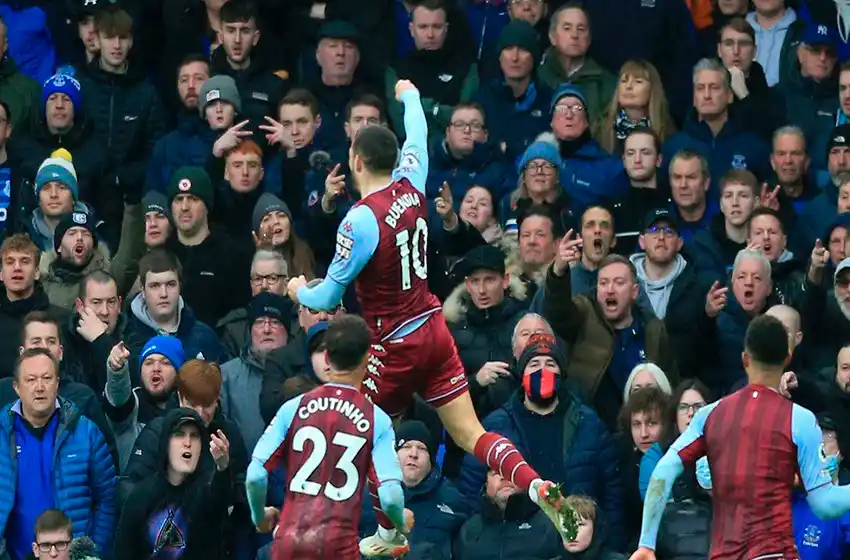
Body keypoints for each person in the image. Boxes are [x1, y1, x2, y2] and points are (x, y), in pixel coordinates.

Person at [286, 79, 575, 554]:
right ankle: (538, 485)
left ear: (356, 162)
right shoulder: (412, 185)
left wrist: (300, 287)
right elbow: (417, 134)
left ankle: (387, 530)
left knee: (360, 432)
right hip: (435, 329)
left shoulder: (358, 220)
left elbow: (327, 297)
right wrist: (409, 96)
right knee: (471, 434)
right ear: (393, 159)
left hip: (394, 345)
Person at [630, 315, 850, 560]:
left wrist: (647, 544)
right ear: (787, 358)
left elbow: (663, 471)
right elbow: (825, 504)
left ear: (745, 359)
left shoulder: (710, 415)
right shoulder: (799, 419)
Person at [246, 315, 411, 558]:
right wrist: (400, 521)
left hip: (289, 544)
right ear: (368, 358)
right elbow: (390, 496)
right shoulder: (378, 420)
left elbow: (255, 475)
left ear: (326, 358)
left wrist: (259, 517)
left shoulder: (293, 408)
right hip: (337, 548)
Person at [112, 408, 231, 560]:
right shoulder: (140, 497)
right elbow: (123, 553)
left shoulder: (205, 495)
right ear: (166, 443)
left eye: (194, 436)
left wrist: (223, 468)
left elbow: (220, 499)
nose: (187, 443)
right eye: (179, 435)